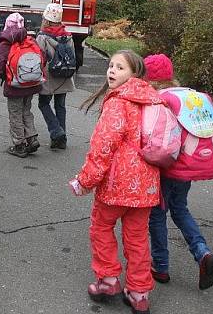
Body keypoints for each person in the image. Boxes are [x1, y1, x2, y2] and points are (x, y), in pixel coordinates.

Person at [70, 50, 161, 314]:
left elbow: (102, 147)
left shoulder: (118, 101)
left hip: (116, 184)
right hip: (147, 184)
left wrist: (85, 181)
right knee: (137, 238)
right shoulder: (153, 99)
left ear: (135, 73)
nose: (111, 71)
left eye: (120, 68)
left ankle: (108, 280)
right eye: (111, 66)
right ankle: (139, 292)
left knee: (101, 227)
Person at [143, 53, 213, 290]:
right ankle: (202, 252)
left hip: (168, 166)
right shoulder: (191, 95)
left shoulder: (158, 99)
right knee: (179, 209)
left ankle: (161, 266)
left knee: (157, 213)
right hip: (189, 165)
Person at [0, 12, 41, 158]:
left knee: (15, 114)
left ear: (7, 25)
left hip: (14, 86)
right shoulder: (29, 40)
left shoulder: (5, 42)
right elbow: (42, 58)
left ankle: (19, 145)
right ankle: (32, 139)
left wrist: (7, 77)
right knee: (26, 111)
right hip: (31, 84)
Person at [36, 2, 76, 149]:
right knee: (60, 106)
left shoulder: (42, 37)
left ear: (46, 19)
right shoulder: (68, 36)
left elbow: (39, 57)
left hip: (49, 77)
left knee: (43, 103)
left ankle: (56, 131)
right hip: (64, 76)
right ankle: (61, 140)